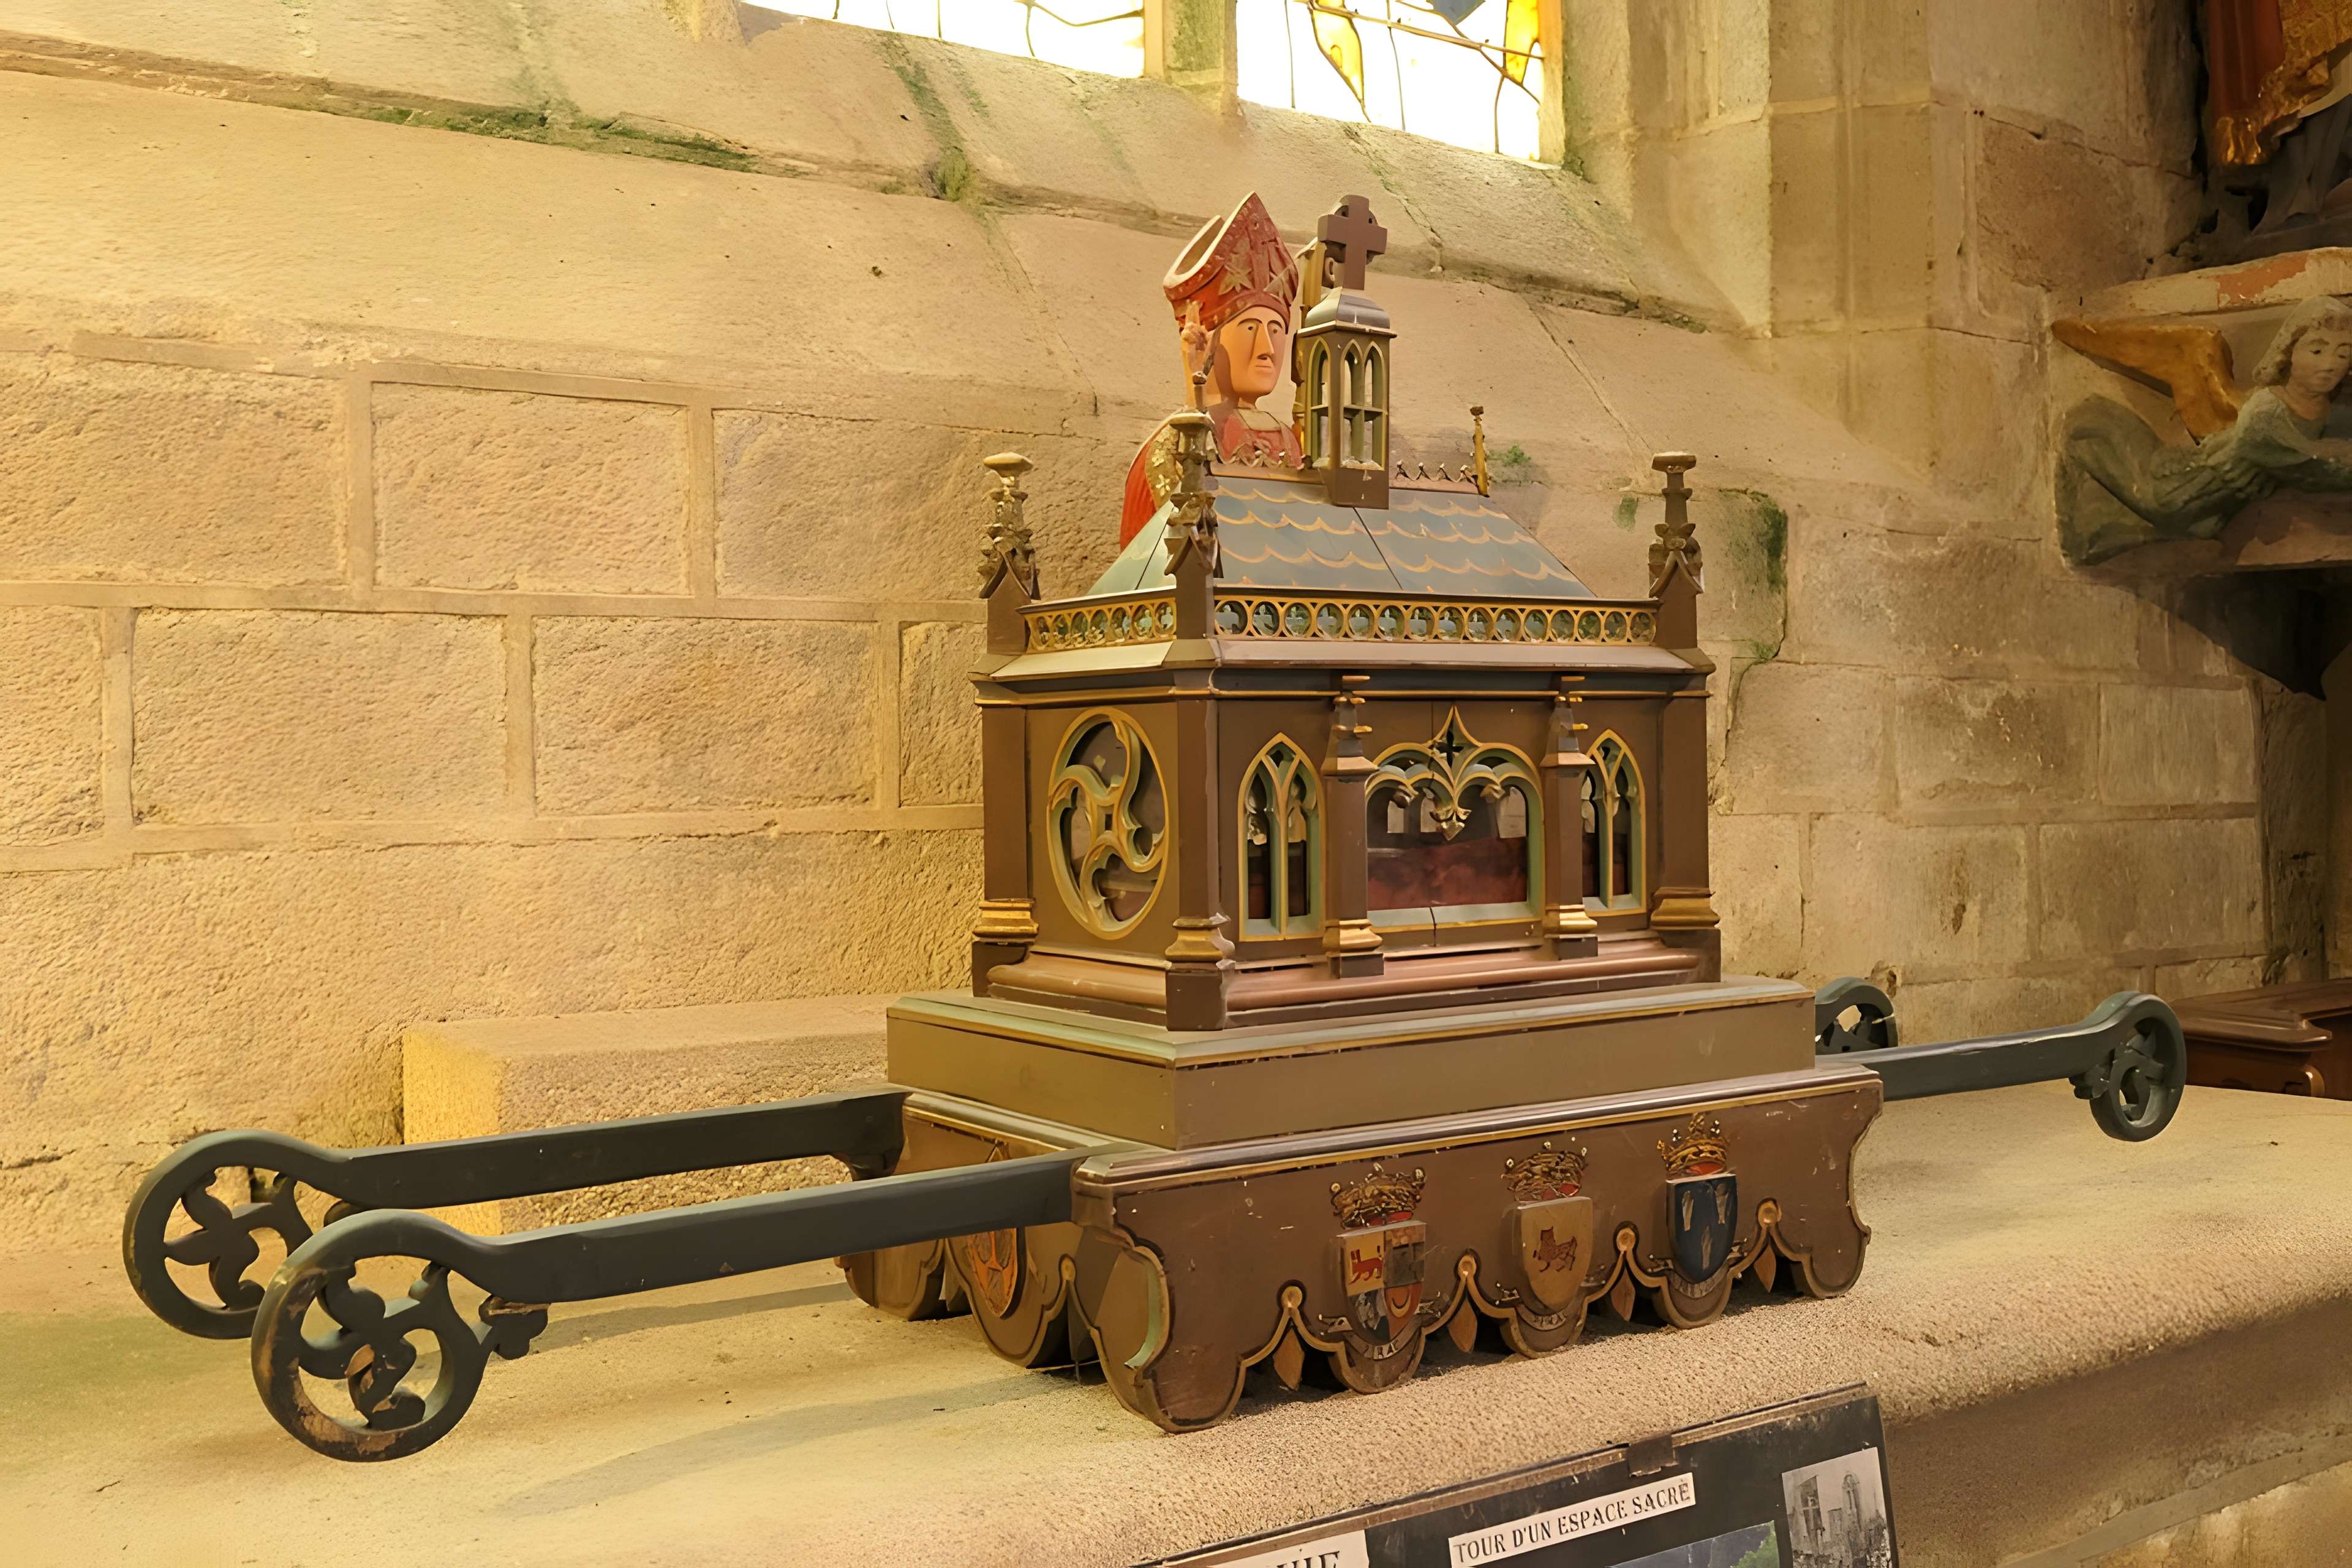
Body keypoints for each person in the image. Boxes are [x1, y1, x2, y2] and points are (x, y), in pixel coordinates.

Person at [2061, 293, 2352, 563]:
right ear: (2289, 352)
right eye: (2316, 350)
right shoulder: (2266, 411)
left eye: (2343, 354)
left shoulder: (2322, 409)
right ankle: (2089, 472)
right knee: (2123, 468)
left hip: (2214, 513)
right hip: (2182, 493)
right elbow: (2307, 468)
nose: (2330, 365)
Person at [1119, 193, 1308, 545]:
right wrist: (1197, 391)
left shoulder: (1290, 439)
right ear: (1207, 342)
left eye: (1276, 330)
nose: (1267, 349)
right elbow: (1168, 553)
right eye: (1250, 328)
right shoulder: (1171, 445)